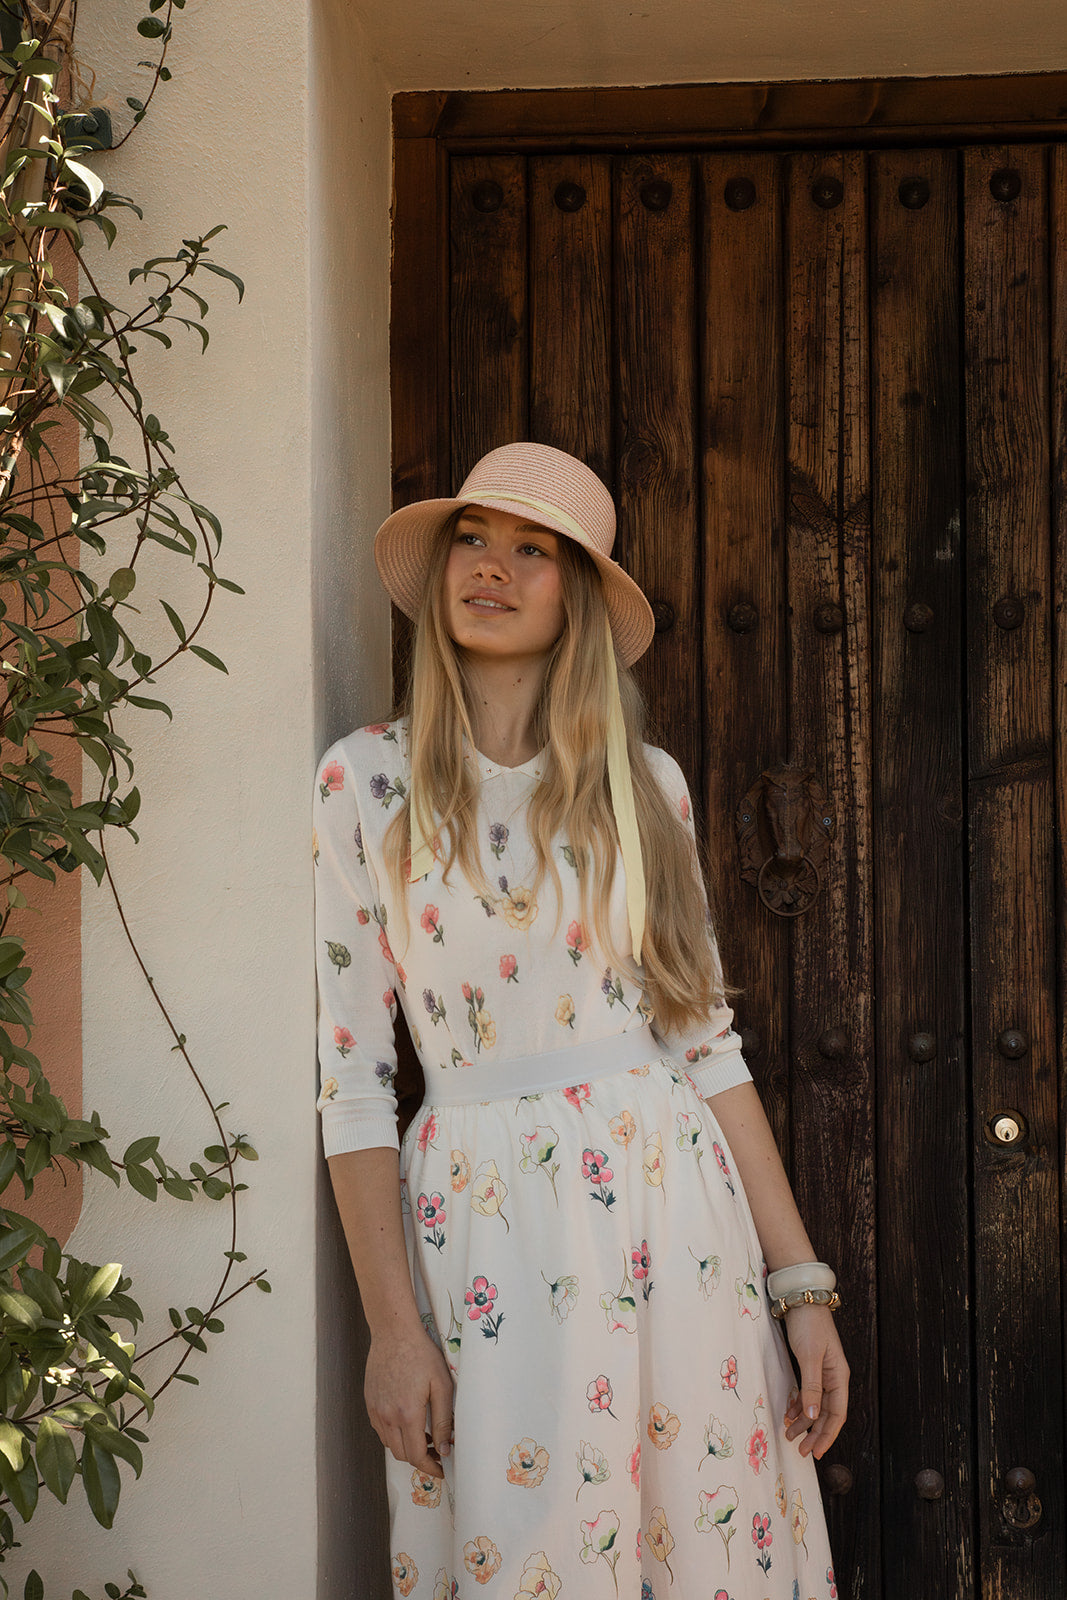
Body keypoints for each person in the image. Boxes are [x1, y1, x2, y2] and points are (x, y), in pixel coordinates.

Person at [315, 442, 847, 1600]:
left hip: (672, 1216)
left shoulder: (642, 786)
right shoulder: (364, 782)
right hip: (483, 1228)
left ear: (578, 603)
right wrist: (392, 1332)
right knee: (528, 1554)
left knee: (700, 1551)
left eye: (532, 551)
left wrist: (799, 1288)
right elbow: (353, 1080)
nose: (491, 567)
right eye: (472, 537)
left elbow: (704, 1044)